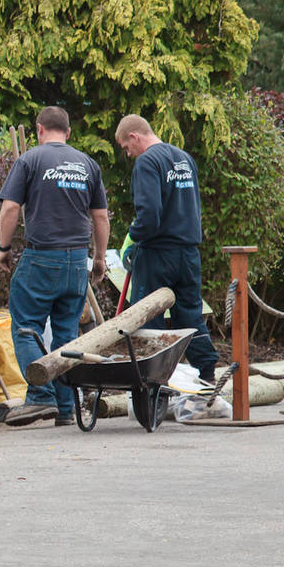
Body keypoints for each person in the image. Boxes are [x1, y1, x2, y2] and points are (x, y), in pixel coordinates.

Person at [0, 107, 110, 425]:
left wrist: (3, 249)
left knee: (25, 326)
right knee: (66, 336)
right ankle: (65, 408)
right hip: (76, 261)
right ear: (69, 133)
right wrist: (98, 259)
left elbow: (9, 209)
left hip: (41, 257)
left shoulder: (30, 160)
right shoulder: (88, 164)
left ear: (39, 129)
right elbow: (100, 216)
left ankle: (41, 395)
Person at [113, 113, 216, 382]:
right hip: (188, 253)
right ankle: (207, 373)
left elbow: (148, 215)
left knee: (149, 321)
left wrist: (133, 240)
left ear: (134, 136)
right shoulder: (184, 158)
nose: (129, 154)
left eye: (127, 147)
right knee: (189, 317)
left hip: (157, 254)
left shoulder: (147, 162)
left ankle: (153, 389)